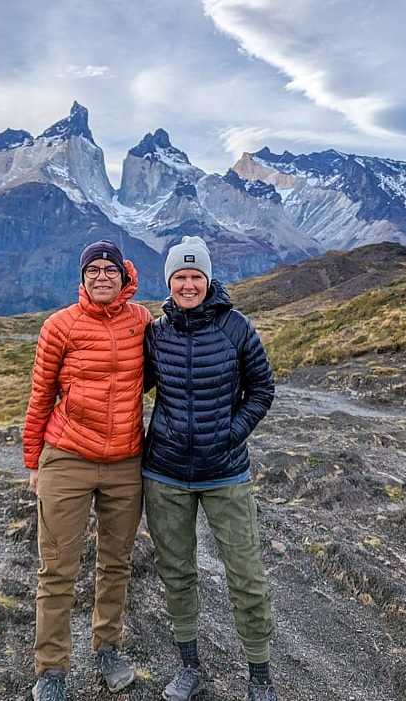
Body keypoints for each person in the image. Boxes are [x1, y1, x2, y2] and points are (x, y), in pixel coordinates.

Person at [143, 236, 279, 701]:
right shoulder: (156, 332)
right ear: (169, 282)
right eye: (179, 277)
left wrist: (230, 433)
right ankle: (190, 667)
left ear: (207, 279)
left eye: (194, 276)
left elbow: (262, 389)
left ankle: (259, 675)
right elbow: (127, 383)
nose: (187, 284)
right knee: (177, 573)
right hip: (164, 473)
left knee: (247, 573)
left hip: (225, 473)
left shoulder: (236, 327)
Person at [22, 240, 153, 701]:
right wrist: (34, 460)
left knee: (115, 563)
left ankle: (107, 649)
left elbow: (153, 377)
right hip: (68, 458)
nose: (101, 276)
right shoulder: (59, 325)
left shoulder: (142, 321)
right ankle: (51, 670)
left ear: (123, 276)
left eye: (109, 269)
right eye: (93, 270)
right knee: (57, 569)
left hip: (125, 463)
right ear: (82, 278)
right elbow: (40, 396)